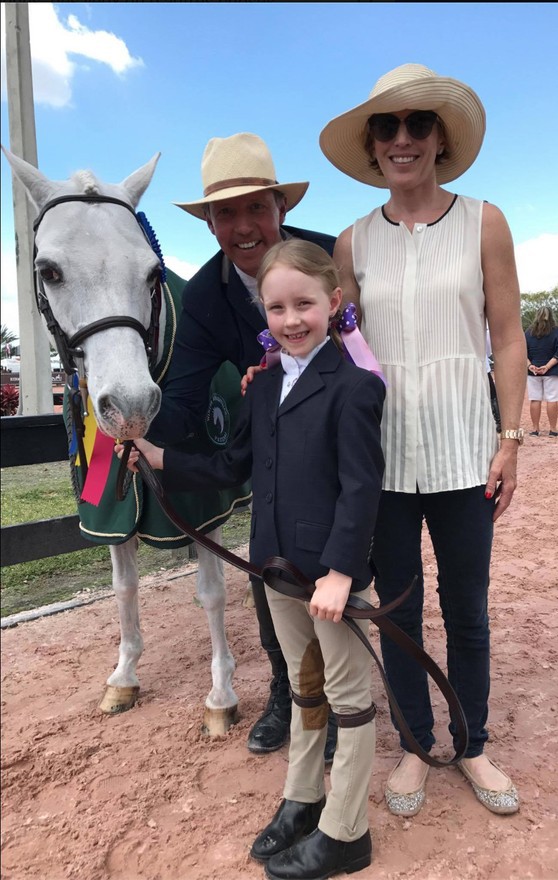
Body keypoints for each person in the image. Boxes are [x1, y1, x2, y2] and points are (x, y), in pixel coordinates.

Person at [121, 239, 386, 880]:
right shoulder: (262, 387)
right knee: (303, 687)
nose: (292, 320)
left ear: (334, 304)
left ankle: (347, 830)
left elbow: (361, 488)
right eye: (277, 308)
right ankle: (303, 798)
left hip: (328, 576)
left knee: (349, 696)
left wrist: (342, 572)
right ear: (263, 314)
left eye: (305, 305)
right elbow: (234, 465)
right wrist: (161, 460)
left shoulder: (355, 388)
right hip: (272, 566)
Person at [319, 63, 527, 817]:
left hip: (466, 449)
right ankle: (414, 745)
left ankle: (472, 744)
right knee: (399, 608)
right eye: (387, 127)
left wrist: (510, 440)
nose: (402, 139)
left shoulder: (485, 221)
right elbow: (339, 352)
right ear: (373, 145)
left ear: (440, 138)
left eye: (417, 125)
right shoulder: (351, 242)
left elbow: (506, 337)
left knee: (467, 606)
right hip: (384, 459)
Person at [147, 133, 338, 760]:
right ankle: (286, 690)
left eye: (256, 207)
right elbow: (181, 404)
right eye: (225, 212)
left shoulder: (333, 256)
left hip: (348, 442)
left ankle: (350, 691)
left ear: (280, 207)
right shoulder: (203, 297)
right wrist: (130, 417)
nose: (243, 226)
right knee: (270, 565)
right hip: (279, 458)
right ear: (208, 223)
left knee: (355, 573)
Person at [525, 306, 558, 436]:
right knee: (552, 399)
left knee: (535, 399)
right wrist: (547, 366)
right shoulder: (557, 332)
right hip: (552, 371)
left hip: (533, 372)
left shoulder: (528, 332)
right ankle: (553, 429)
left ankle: (535, 429)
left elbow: (522, 351)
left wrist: (530, 366)